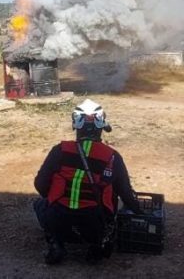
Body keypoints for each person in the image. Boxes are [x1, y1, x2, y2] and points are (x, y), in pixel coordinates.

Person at [33, 98, 141, 265]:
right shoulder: (111, 156)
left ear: (75, 124)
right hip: (95, 224)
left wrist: (58, 200)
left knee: (39, 204)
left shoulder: (60, 150)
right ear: (101, 125)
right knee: (112, 195)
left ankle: (57, 242)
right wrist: (139, 211)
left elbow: (40, 184)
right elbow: (125, 193)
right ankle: (95, 246)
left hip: (58, 219)